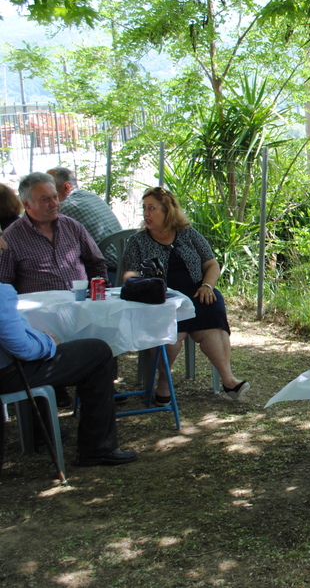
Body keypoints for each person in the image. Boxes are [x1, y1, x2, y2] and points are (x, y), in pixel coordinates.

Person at [120, 186, 249, 403]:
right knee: (172, 335)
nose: (146, 214)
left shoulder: (187, 233)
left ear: (167, 210)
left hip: (198, 292)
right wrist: (144, 285)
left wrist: (207, 286)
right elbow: (129, 274)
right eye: (144, 208)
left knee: (213, 323)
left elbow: (211, 263)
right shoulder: (138, 241)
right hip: (163, 299)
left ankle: (229, 381)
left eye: (152, 208)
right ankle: (164, 384)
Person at [0, 282, 138, 467]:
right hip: (9, 374)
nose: (5, 250)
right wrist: (48, 341)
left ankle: (41, 433)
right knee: (99, 351)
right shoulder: (2, 293)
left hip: (10, 369)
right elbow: (23, 348)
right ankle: (97, 448)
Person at [0, 172, 107, 293]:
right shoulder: (12, 237)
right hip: (41, 309)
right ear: (26, 204)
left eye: (55, 197)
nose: (54, 204)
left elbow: (96, 262)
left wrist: (98, 295)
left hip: (80, 303)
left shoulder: (72, 226)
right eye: (45, 199)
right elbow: (4, 283)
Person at [47, 167, 123, 270]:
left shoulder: (66, 206)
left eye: (49, 188)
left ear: (66, 187)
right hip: (125, 268)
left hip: (105, 272)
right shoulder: (91, 196)